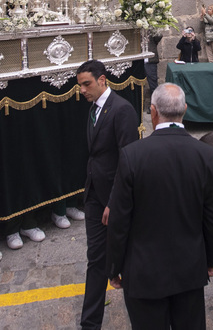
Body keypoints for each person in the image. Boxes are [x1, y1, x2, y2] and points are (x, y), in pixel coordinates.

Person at [106, 83, 213, 330]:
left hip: (143, 270)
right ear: (185, 110)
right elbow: (212, 215)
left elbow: (119, 219)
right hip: (189, 268)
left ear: (153, 111)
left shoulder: (132, 155)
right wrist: (211, 260)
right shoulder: (206, 155)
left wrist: (114, 266)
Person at [77, 59, 140, 330]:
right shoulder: (93, 109)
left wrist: (114, 202)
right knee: (96, 260)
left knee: (126, 261)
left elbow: (129, 160)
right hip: (93, 196)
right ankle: (90, 324)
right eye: (79, 85)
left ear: (103, 80)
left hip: (115, 200)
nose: (82, 90)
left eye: (87, 84)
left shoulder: (122, 110)